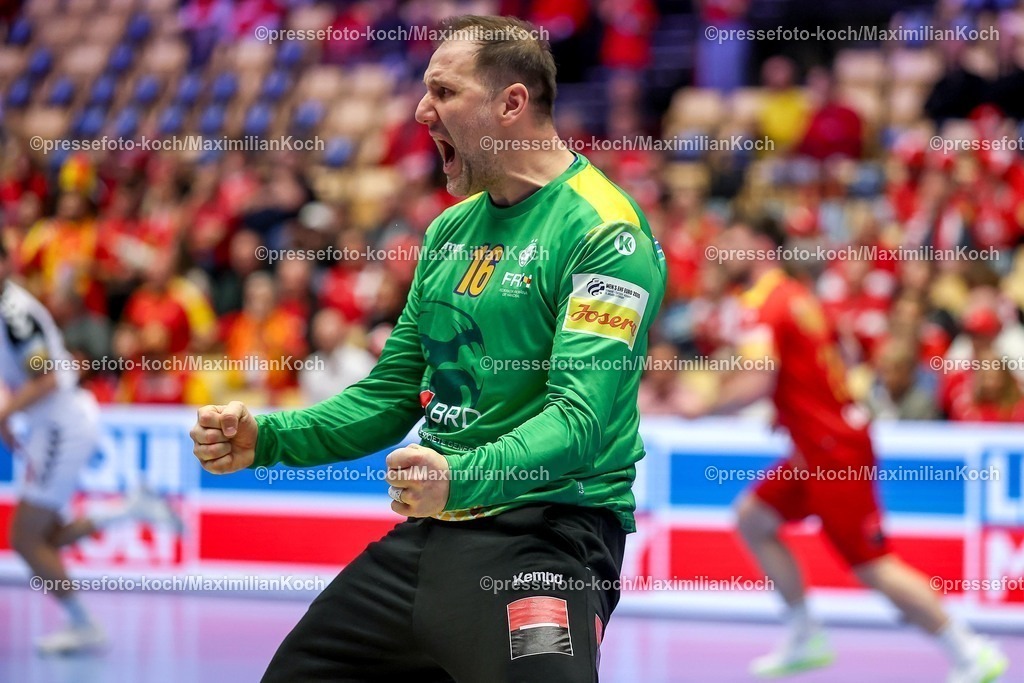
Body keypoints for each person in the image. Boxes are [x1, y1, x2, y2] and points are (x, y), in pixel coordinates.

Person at [190, 15, 666, 683]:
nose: (420, 110)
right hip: (433, 533)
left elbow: (580, 421)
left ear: (511, 103)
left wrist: (458, 476)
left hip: (547, 536)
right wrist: (267, 439)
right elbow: (388, 396)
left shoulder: (604, 231)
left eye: (443, 91)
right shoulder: (447, 232)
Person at [679, 216, 1007, 683]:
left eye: (730, 240)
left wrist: (705, 406)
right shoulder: (798, 296)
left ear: (760, 243)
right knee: (754, 518)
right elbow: (838, 358)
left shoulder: (760, 305)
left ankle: (970, 650)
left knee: (874, 566)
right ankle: (805, 632)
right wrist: (791, 408)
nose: (719, 252)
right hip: (818, 446)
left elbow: (757, 377)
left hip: (832, 453)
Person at [0, 243, 180, 655]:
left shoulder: (17, 316)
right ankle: (131, 508)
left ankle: (84, 625)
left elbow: (44, 379)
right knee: (43, 536)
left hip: (62, 425)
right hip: (52, 424)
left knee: (26, 539)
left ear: (6, 263)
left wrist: (4, 416)